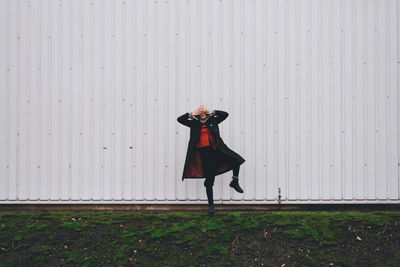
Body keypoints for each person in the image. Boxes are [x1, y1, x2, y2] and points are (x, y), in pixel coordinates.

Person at [177, 105, 245, 215]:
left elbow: (225, 114)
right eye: (200, 109)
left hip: (218, 150)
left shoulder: (213, 120)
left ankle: (234, 181)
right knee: (209, 181)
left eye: (204, 109)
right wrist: (192, 114)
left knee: (236, 160)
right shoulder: (193, 123)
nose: (202, 109)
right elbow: (180, 119)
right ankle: (211, 206)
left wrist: (212, 111)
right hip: (205, 155)